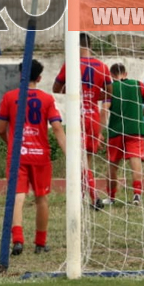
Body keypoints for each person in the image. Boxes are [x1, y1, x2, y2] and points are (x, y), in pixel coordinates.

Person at [0, 59, 66, 256]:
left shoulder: (10, 97)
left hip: (17, 155)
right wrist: (69, 153)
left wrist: (11, 142)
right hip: (40, 156)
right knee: (41, 198)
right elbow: (57, 128)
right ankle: (40, 243)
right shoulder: (46, 99)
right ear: (39, 78)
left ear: (21, 75)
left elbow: (1, 129)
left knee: (17, 198)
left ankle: (18, 239)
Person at [53, 32, 110, 209]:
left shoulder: (71, 65)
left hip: (77, 114)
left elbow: (57, 88)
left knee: (79, 162)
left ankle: (94, 197)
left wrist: (74, 93)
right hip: (93, 115)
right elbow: (109, 94)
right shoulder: (102, 66)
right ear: (90, 45)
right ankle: (83, 195)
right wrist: (93, 95)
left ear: (75, 46)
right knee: (87, 161)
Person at [104, 63, 144, 206]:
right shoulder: (139, 85)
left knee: (112, 165)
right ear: (126, 73)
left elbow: (105, 109)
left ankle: (111, 198)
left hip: (116, 130)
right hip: (135, 130)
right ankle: (137, 195)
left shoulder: (110, 88)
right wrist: (139, 116)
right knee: (135, 162)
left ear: (111, 75)